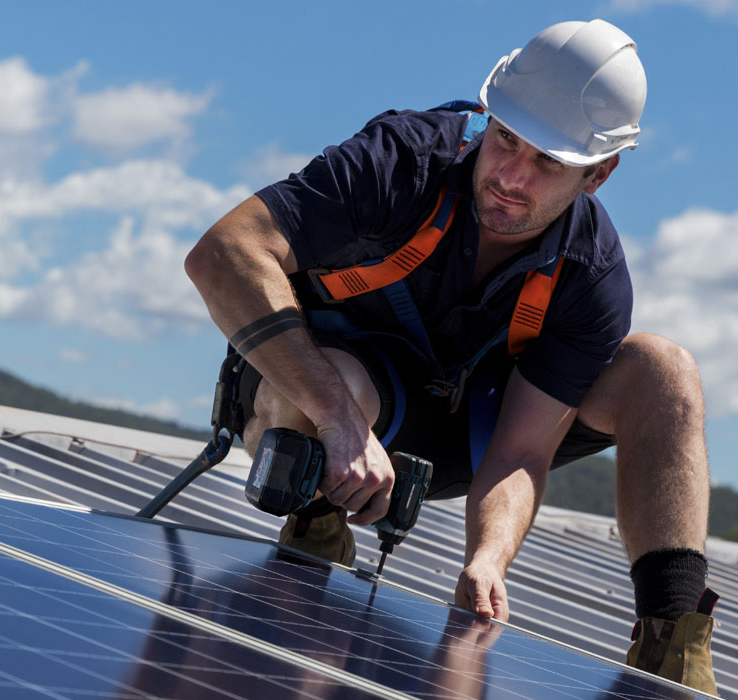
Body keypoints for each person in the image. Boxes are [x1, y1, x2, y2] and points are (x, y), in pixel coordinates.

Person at [184, 19, 719, 693]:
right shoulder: (402, 161)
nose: (511, 177)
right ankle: (317, 523)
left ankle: (672, 652)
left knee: (663, 370)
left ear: (599, 174)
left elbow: (522, 453)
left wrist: (489, 560)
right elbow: (223, 253)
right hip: (332, 405)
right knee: (342, 387)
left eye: (547, 163)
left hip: (469, 434)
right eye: (505, 141)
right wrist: (338, 419)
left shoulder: (590, 274)